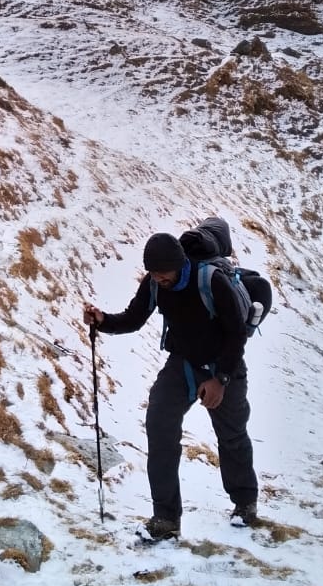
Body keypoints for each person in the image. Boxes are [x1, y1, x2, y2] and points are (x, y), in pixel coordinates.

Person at [83, 221, 259, 539]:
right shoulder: (153, 284)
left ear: (181, 265)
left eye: (167, 274)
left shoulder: (211, 280)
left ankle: (245, 503)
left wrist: (220, 379)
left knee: (232, 436)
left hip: (224, 365)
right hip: (183, 363)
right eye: (155, 274)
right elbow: (134, 318)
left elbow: (236, 334)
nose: (162, 280)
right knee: (160, 425)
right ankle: (165, 519)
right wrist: (104, 321)